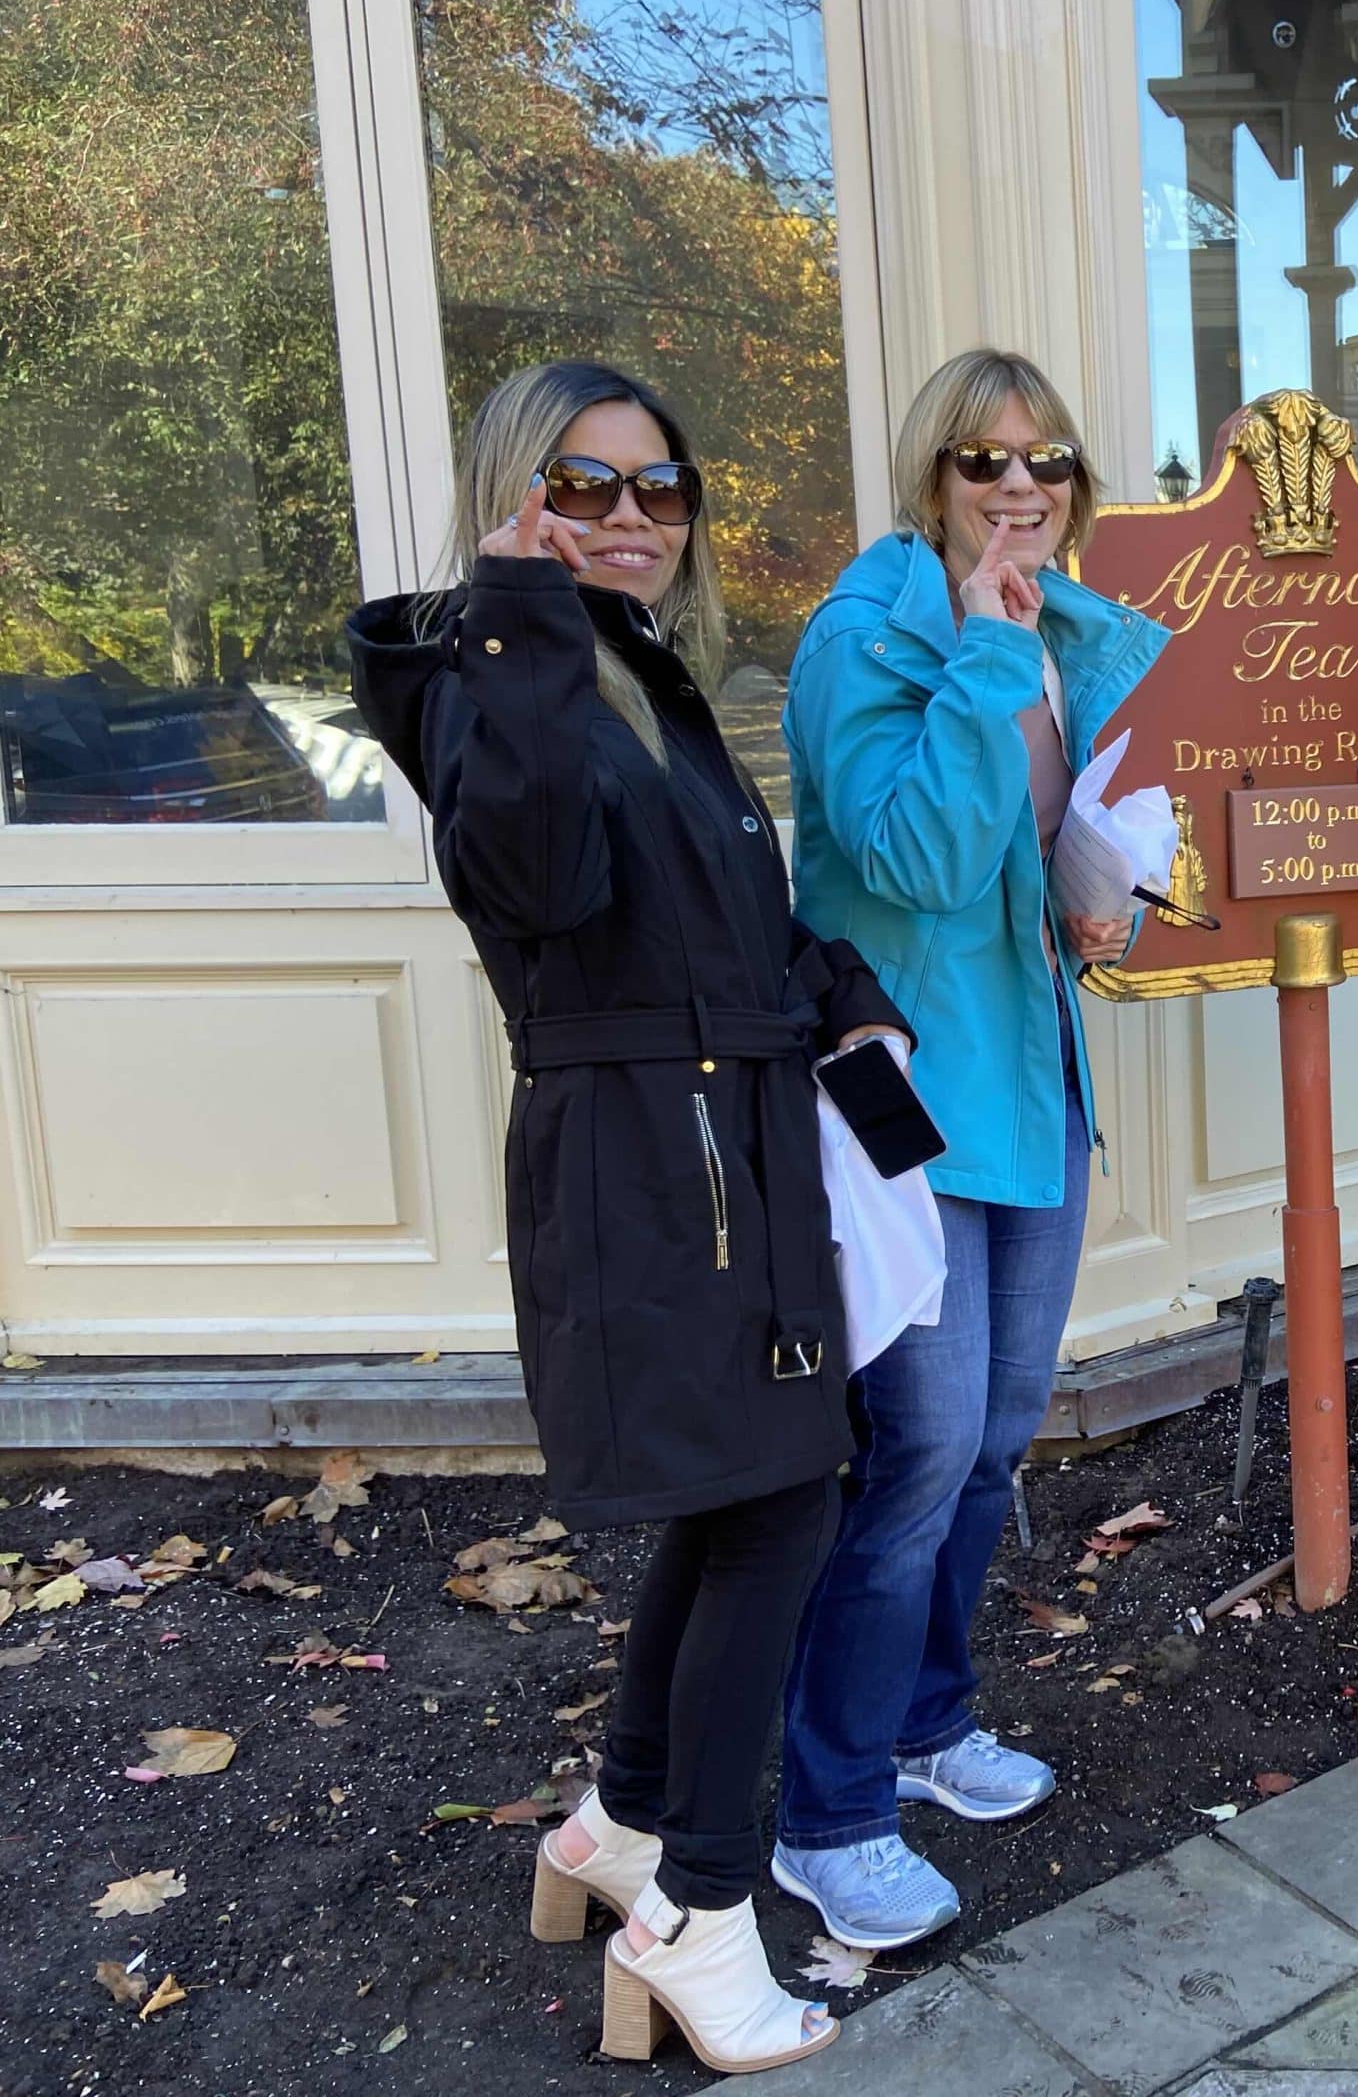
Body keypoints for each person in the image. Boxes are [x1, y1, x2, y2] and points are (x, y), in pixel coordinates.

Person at [349, 361, 909, 2073]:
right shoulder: (498, 688)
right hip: (650, 1171)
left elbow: (728, 925)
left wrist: (847, 999)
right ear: (516, 503)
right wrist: (518, 618)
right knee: (777, 1515)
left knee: (746, 1504)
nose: (627, 521)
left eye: (658, 491)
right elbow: (539, 881)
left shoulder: (642, 689)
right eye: (580, 492)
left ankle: (615, 1830)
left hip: (728, 1149)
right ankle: (703, 1918)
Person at [772, 350, 1164, 1945]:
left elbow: (1043, 881)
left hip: (1032, 1086)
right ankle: (828, 1807)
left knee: (998, 1437)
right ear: (930, 476)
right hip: (906, 1109)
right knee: (918, 1450)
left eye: (1047, 462)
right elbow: (920, 864)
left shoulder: (1061, 644)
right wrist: (991, 675)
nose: (1020, 490)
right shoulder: (864, 639)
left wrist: (1099, 901)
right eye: (984, 462)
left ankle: (927, 1725)